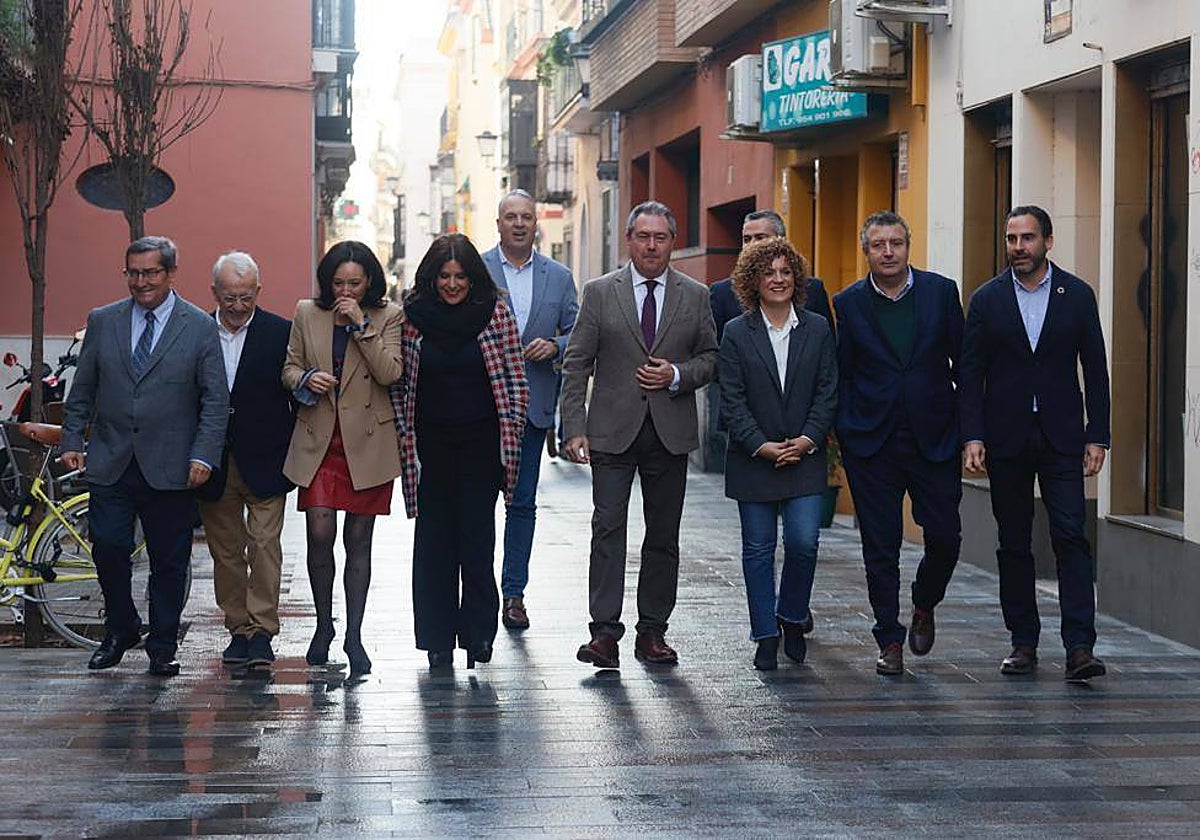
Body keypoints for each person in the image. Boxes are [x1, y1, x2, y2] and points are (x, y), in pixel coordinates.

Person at [61, 236, 228, 677]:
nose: (141, 282)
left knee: (168, 559)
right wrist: (72, 440)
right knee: (109, 545)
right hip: (112, 459)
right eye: (133, 273)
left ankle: (163, 644)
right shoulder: (103, 321)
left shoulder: (198, 326)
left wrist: (204, 456)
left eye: (151, 273)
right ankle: (121, 626)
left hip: (173, 464)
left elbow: (214, 400)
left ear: (171, 273)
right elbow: (83, 390)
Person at [561, 201, 718, 668]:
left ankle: (652, 631)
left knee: (663, 535)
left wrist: (675, 374)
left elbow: (711, 358)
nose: (652, 245)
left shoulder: (696, 295)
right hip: (611, 431)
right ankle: (604, 634)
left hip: (669, 433)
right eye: (644, 237)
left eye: (661, 237)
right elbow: (576, 363)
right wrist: (574, 427)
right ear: (628, 240)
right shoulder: (599, 292)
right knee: (607, 529)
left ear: (672, 242)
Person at [961, 205, 1111, 682]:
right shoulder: (987, 300)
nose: (1018, 248)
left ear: (1048, 240)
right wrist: (973, 434)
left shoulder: (1077, 295)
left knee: (1070, 533)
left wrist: (1098, 434)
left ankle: (1079, 648)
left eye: (1027, 238)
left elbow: (1097, 368)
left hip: (1062, 436)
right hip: (1005, 437)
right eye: (1010, 239)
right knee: (1014, 541)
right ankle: (1023, 642)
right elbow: (970, 373)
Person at [832, 211, 964, 676]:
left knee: (946, 537)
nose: (887, 252)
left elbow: (963, 366)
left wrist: (970, 433)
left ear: (908, 247)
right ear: (865, 251)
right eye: (877, 245)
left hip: (934, 436)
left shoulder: (941, 293)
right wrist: (846, 430)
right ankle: (889, 637)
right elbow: (842, 373)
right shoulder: (846, 304)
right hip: (872, 442)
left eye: (895, 244)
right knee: (880, 545)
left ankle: (924, 602)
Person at [392, 233, 528, 669]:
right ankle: (436, 638)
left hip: (481, 445)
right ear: (431, 279)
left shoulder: (495, 315)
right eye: (444, 276)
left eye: (460, 276)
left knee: (476, 540)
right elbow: (399, 384)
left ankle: (478, 636)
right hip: (429, 447)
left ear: (473, 279)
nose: (452, 285)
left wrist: (513, 432)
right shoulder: (410, 319)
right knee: (433, 544)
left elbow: (515, 378)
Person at [281, 241, 402, 679]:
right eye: (338, 283)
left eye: (354, 282)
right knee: (319, 531)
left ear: (369, 281)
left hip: (367, 442)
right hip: (320, 438)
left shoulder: (389, 316)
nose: (345, 291)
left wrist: (362, 325)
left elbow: (391, 372)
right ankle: (322, 624)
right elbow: (289, 368)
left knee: (359, 540)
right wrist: (308, 378)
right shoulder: (306, 313)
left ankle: (354, 633)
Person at [718, 237, 837, 670]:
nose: (778, 279)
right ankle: (765, 634)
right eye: (769, 272)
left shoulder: (818, 328)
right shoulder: (735, 333)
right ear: (754, 280)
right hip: (755, 459)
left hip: (805, 455)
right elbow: (730, 398)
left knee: (804, 542)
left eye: (786, 272)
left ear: (797, 279)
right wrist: (761, 446)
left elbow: (828, 391)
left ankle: (791, 616)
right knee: (758, 549)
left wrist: (807, 439)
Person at [481, 190, 578, 631]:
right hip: (480, 406)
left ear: (536, 224)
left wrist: (555, 345)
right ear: (498, 223)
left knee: (521, 504)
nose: (518, 224)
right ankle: (479, 590)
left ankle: (514, 594)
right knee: (480, 503)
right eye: (510, 217)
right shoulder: (474, 271)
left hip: (533, 406)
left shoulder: (558, 277)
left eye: (526, 217)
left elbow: (580, 334)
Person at [196, 252, 295, 669]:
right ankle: (238, 628)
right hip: (214, 459)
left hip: (267, 457)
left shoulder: (280, 332)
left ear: (258, 292)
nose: (237, 307)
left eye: (246, 298)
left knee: (265, 545)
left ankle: (262, 630)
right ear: (215, 292)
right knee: (227, 551)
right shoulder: (197, 331)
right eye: (230, 298)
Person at [709, 209, 833, 343]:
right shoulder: (722, 292)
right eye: (746, 239)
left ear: (781, 240)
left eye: (760, 237)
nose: (752, 245)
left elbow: (828, 346)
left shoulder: (812, 288)